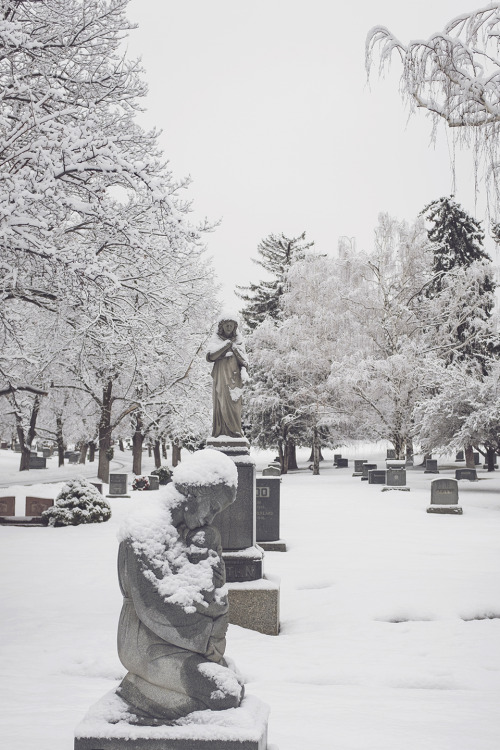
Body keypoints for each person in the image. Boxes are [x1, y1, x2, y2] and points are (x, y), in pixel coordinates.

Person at [116, 451, 244, 723]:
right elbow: (155, 608)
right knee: (224, 692)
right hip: (148, 640)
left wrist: (215, 590)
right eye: (212, 507)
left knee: (231, 682)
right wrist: (209, 636)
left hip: (187, 640)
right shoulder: (144, 530)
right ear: (195, 494)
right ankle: (143, 692)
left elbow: (215, 598)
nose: (211, 518)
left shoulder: (197, 537)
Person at [206, 314, 249, 438]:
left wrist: (233, 348)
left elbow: (245, 361)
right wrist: (225, 345)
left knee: (235, 406)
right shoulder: (216, 339)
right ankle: (221, 433)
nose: (229, 327)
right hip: (221, 377)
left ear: (235, 327)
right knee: (221, 403)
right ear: (222, 326)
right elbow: (210, 356)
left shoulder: (239, 340)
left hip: (235, 378)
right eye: (226, 324)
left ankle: (235, 431)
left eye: (231, 325)